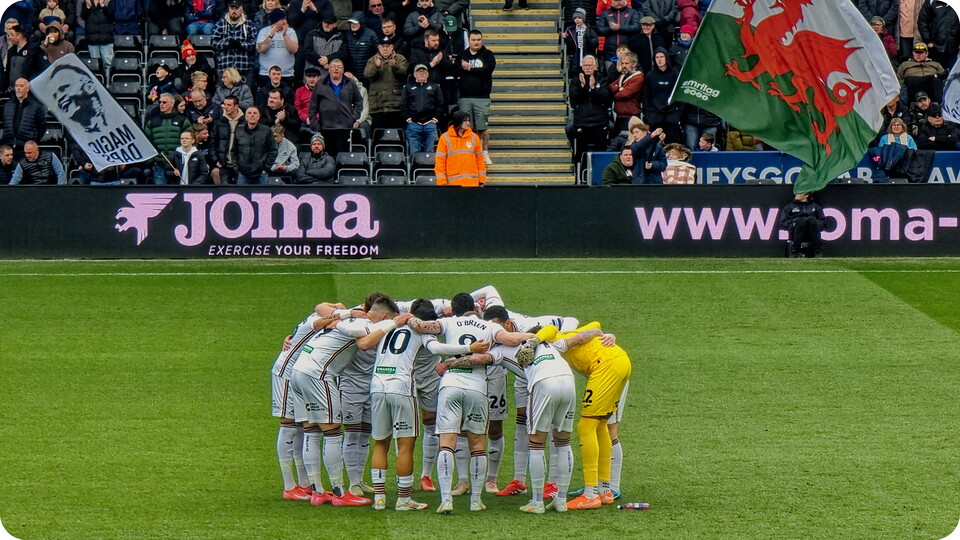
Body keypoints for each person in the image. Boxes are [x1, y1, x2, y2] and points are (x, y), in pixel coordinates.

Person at [406, 292, 534, 514]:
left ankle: (446, 499)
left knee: (447, 442)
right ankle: (476, 500)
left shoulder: (447, 322)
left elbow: (422, 327)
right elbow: (513, 340)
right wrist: (539, 337)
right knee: (477, 445)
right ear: (475, 308)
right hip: (477, 387)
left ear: (453, 309)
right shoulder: (489, 326)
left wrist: (407, 318)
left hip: (450, 384)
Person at [368, 298, 488, 511]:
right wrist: (470, 347)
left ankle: (379, 498)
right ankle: (404, 500)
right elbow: (437, 348)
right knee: (405, 445)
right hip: (402, 387)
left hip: (377, 386)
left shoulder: (388, 325)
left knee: (380, 442)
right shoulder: (424, 332)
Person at [289, 299, 409, 507]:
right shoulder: (365, 324)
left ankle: (318, 492)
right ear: (382, 317)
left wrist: (339, 320)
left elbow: (328, 319)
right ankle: (339, 493)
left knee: (311, 431)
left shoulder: (351, 319)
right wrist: (394, 324)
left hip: (298, 372)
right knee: (333, 433)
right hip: (318, 374)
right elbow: (364, 343)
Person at [516, 321, 632, 510]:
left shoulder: (555, 340)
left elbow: (550, 329)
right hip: (621, 360)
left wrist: (534, 341)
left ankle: (590, 494)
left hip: (606, 366)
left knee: (586, 426)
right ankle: (604, 490)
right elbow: (595, 324)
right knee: (601, 425)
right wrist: (606, 333)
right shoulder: (570, 333)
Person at [270, 304, 345, 501]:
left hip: (298, 372)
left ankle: (304, 484)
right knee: (289, 425)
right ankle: (289, 486)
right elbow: (321, 322)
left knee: (303, 427)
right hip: (285, 372)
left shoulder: (317, 319)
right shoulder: (315, 319)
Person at [308, 58, 364, 156]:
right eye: (333, 67)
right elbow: (312, 106)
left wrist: (353, 117)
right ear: (329, 69)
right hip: (326, 128)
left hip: (345, 128)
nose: (336, 69)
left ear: (343, 70)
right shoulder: (320, 84)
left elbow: (359, 101)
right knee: (328, 156)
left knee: (344, 157)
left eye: (339, 67)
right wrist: (315, 125)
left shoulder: (350, 83)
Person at [457, 30, 496, 163]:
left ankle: (484, 153)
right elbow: (456, 70)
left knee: (482, 127)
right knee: (465, 126)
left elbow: (487, 70)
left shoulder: (488, 54)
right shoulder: (462, 55)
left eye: (479, 39)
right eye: (473, 40)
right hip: (465, 97)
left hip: (482, 97)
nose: (476, 42)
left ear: (482, 40)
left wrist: (469, 69)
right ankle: (469, 151)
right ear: (469, 40)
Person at [569, 55, 613, 166]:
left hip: (600, 121)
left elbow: (607, 99)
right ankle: (580, 175)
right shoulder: (576, 80)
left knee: (601, 151)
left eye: (590, 65)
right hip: (582, 121)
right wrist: (582, 87)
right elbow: (574, 99)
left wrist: (594, 88)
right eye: (585, 65)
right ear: (582, 67)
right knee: (580, 151)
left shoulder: (603, 80)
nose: (588, 68)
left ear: (595, 66)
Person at [364, 36, 409, 130]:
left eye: (387, 46)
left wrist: (395, 66)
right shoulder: (372, 60)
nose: (385, 49)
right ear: (379, 48)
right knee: (378, 136)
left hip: (395, 106)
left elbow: (404, 73)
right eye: (382, 46)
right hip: (377, 106)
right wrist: (376, 67)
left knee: (396, 135)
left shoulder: (400, 59)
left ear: (392, 47)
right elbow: (367, 75)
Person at [145, 94, 189, 184]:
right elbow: (146, 142)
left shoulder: (183, 121)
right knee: (160, 194)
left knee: (179, 194)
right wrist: (152, 161)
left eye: (164, 102)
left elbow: (190, 141)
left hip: (178, 166)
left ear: (172, 104)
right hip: (159, 165)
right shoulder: (152, 122)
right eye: (160, 102)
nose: (161, 104)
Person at [434, 110, 485, 186]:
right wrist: (442, 182)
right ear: (458, 121)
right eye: (465, 121)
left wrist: (482, 180)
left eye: (468, 120)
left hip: (472, 184)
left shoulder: (474, 138)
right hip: (453, 185)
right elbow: (440, 162)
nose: (468, 123)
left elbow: (480, 160)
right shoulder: (445, 138)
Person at [213, 0, 259, 84]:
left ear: (241, 9)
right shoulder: (220, 24)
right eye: (232, 8)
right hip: (225, 67)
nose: (234, 11)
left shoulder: (249, 24)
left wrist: (241, 44)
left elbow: (254, 43)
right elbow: (214, 42)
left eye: (237, 8)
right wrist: (227, 44)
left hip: (244, 67)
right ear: (229, 9)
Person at [401, 64, 444, 153]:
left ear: (427, 74)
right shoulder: (408, 87)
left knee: (429, 152)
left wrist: (435, 118)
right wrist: (408, 118)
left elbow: (440, 104)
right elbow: (403, 104)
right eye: (419, 71)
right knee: (414, 152)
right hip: (413, 124)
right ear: (414, 74)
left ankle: (428, 167)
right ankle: (414, 166)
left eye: (423, 71)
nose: (421, 73)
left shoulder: (435, 86)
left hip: (430, 124)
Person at [642, 47, 682, 144]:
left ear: (666, 58)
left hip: (672, 115)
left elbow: (680, 94)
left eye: (662, 57)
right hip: (655, 115)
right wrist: (648, 114)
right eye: (657, 57)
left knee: (672, 144)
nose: (659, 59)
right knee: (654, 144)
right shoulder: (650, 75)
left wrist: (678, 112)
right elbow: (645, 96)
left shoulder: (675, 74)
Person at [2, 78, 46, 159]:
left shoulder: (36, 107)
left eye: (21, 86)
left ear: (27, 89)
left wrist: (32, 139)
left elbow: (42, 127)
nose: (18, 88)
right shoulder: (7, 105)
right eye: (16, 86)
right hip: (9, 147)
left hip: (26, 149)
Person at [233, 106, 279, 184]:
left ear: (259, 116)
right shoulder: (239, 130)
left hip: (261, 174)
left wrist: (266, 168)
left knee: (261, 196)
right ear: (246, 116)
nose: (252, 115)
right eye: (249, 113)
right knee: (243, 195)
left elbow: (273, 150)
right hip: (243, 174)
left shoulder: (266, 130)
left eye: (255, 113)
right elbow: (234, 151)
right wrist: (237, 168)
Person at [256, 9, 299, 88]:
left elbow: (294, 50)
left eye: (285, 19)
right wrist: (270, 36)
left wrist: (285, 35)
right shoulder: (264, 31)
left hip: (286, 74)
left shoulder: (291, 32)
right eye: (282, 19)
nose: (285, 22)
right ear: (275, 20)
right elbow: (260, 49)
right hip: (266, 74)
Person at [597, 0, 640, 72]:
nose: (618, 3)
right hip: (610, 52)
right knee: (611, 76)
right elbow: (599, 30)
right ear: (612, 1)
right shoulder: (605, 13)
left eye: (620, 0)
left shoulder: (633, 12)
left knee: (628, 75)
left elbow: (637, 27)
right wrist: (610, 28)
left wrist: (620, 27)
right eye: (616, 1)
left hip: (628, 51)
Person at [779, 192, 826, 258]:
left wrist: (815, 223)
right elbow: (782, 222)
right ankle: (795, 250)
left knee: (812, 220)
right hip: (796, 231)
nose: (796, 194)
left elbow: (823, 222)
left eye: (799, 193)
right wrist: (794, 222)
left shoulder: (816, 207)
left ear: (806, 195)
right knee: (801, 221)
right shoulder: (789, 207)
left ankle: (818, 250)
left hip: (812, 231)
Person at [918, 0, 960, 70]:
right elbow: (922, 22)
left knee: (952, 74)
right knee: (937, 73)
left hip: (954, 45)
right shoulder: (931, 2)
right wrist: (928, 41)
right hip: (936, 46)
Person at [609, 51, 643, 135]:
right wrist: (620, 89)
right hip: (619, 116)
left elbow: (625, 94)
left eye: (626, 63)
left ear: (634, 64)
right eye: (622, 63)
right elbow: (611, 86)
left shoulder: (638, 78)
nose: (624, 66)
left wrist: (617, 92)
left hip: (631, 117)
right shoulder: (622, 76)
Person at [213, 95, 245, 183]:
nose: (225, 107)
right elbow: (212, 142)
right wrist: (216, 160)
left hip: (240, 165)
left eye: (229, 105)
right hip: (224, 164)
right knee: (225, 192)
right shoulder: (219, 122)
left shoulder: (245, 122)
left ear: (236, 106)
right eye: (225, 104)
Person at [80, 0, 115, 79]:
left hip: (106, 39)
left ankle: (108, 83)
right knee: (95, 64)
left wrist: (103, 6)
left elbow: (112, 16)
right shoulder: (86, 3)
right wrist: (88, 7)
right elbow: (83, 16)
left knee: (108, 63)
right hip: (92, 39)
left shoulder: (109, 2)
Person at [2, 25, 41, 93]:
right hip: (11, 91)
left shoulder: (33, 50)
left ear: (19, 36)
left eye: (11, 35)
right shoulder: (11, 51)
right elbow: (8, 71)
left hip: (27, 91)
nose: (9, 38)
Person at [561, 8, 598, 76]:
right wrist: (566, 38)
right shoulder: (570, 30)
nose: (577, 20)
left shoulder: (590, 30)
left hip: (588, 57)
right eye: (575, 18)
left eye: (579, 18)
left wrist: (587, 37)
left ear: (583, 19)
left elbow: (594, 45)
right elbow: (571, 47)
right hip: (576, 59)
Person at [344, 11, 378, 83]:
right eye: (351, 23)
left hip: (368, 75)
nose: (353, 25)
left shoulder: (371, 34)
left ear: (361, 23)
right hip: (352, 75)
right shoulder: (348, 35)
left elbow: (378, 52)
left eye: (355, 23)